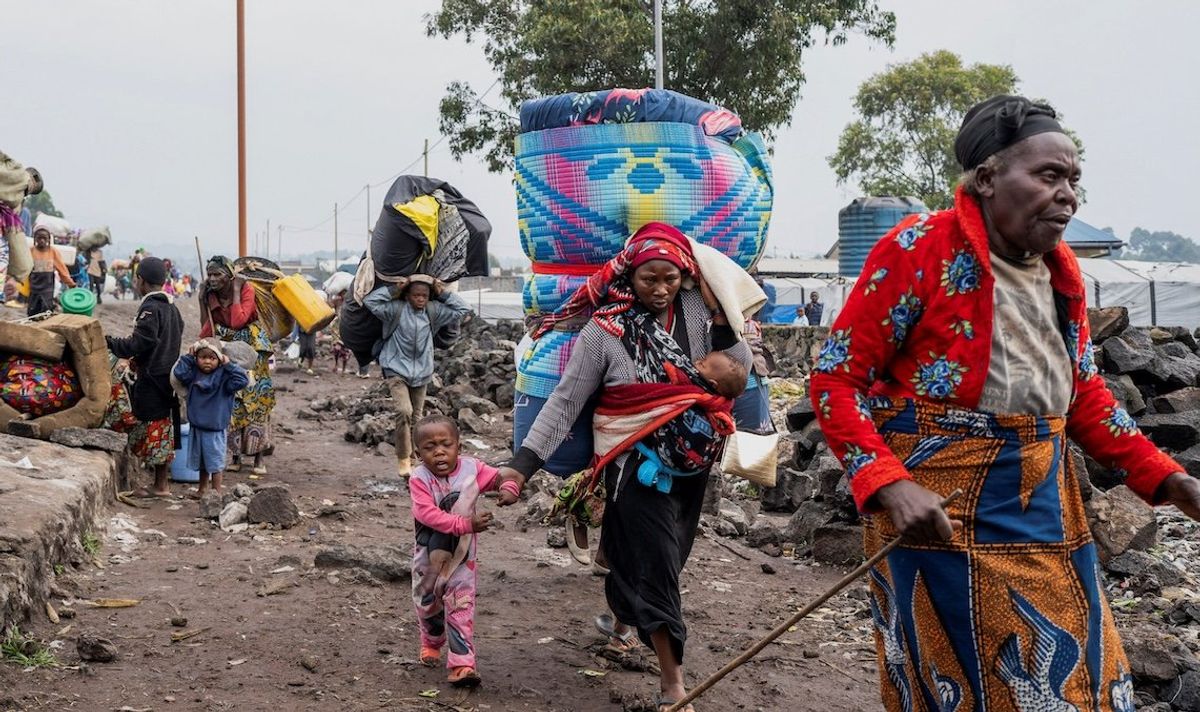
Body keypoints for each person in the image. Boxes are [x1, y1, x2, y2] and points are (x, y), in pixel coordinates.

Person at [810, 95, 1200, 712]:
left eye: (1073, 179)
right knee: (966, 687)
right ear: (987, 178)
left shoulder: (1060, 271)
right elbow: (834, 383)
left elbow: (1083, 397)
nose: (1068, 194)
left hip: (1044, 510)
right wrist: (890, 484)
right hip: (938, 513)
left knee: (1082, 683)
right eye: (1048, 175)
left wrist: (1171, 480)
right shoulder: (918, 250)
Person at [496, 222, 752, 712]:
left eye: (670, 279)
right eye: (647, 279)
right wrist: (521, 465)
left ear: (686, 276)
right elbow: (567, 399)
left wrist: (723, 324)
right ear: (627, 277)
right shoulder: (605, 330)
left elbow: (736, 371)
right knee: (658, 566)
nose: (659, 289)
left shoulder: (702, 313)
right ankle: (673, 684)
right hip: (634, 463)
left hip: (692, 464)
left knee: (670, 557)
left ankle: (620, 618)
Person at [409, 414, 514, 688]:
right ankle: (431, 640)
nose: (439, 451)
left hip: (462, 561)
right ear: (418, 453)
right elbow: (427, 514)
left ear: (459, 446)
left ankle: (462, 664)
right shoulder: (419, 479)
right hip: (427, 562)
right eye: (430, 447)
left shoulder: (472, 469)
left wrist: (508, 486)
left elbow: (498, 477)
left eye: (446, 444)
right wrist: (465, 524)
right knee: (428, 605)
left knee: (460, 606)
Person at [364, 274, 471, 476]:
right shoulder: (394, 310)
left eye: (424, 295)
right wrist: (394, 289)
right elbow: (371, 302)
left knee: (416, 417)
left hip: (422, 371)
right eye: (416, 295)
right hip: (395, 368)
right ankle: (404, 459)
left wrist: (442, 292)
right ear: (407, 296)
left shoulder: (433, 312)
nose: (420, 299)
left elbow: (463, 309)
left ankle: (416, 460)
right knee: (404, 411)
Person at [105, 257, 184, 497]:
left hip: (152, 379)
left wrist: (110, 342)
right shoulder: (172, 308)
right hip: (166, 378)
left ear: (140, 280)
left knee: (147, 423)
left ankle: (160, 486)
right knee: (162, 426)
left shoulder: (150, 308)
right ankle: (159, 483)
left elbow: (141, 342)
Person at [199, 256, 275, 476]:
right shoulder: (210, 295)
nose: (212, 279)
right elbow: (207, 329)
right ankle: (235, 456)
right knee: (233, 399)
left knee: (255, 399)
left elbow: (238, 321)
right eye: (210, 274)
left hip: (251, 348)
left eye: (217, 275)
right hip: (228, 349)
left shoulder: (245, 290)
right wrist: (201, 301)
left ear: (229, 276)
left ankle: (259, 457)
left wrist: (235, 291)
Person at [172, 339, 249, 497]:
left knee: (214, 463)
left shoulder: (225, 378)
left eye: (212, 358)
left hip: (214, 428)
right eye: (202, 357)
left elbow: (243, 380)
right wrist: (188, 356)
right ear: (196, 358)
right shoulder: (193, 373)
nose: (207, 361)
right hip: (197, 426)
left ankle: (216, 492)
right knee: (202, 463)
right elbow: (179, 373)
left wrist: (229, 365)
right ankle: (202, 490)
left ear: (220, 359)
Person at [28, 224, 75, 316]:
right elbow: (25, 268)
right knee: (33, 309)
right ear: (35, 239)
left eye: (44, 238)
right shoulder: (31, 251)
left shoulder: (53, 252)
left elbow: (62, 269)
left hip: (47, 285)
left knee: (46, 308)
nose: (42, 240)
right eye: (39, 238)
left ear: (49, 239)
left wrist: (70, 283)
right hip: (34, 284)